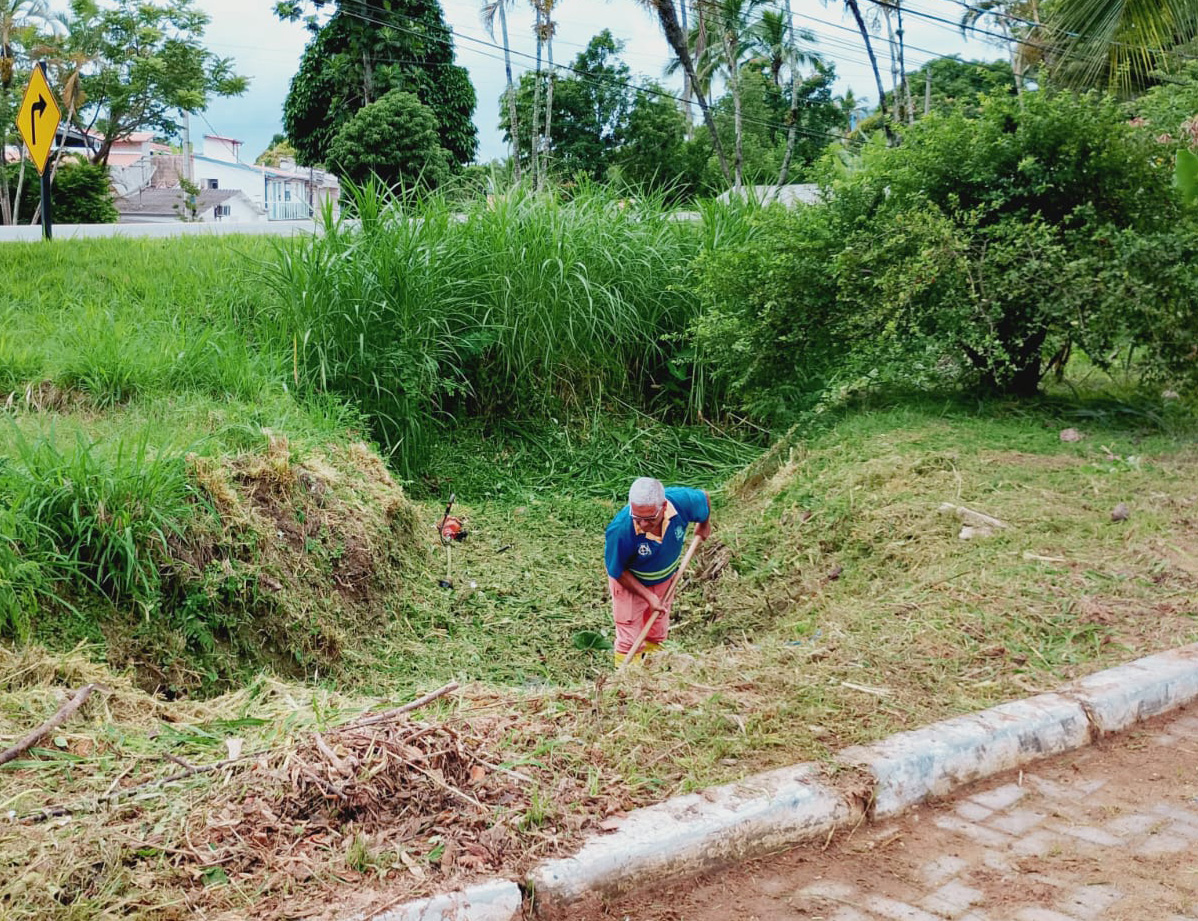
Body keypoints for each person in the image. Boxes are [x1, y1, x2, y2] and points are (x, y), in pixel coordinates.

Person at [604, 477, 712, 666]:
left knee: (656, 630)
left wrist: (704, 524)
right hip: (630, 583)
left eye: (649, 519)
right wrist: (647, 596)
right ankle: (627, 678)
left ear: (663, 507)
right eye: (637, 518)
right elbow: (617, 571)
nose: (643, 524)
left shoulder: (680, 502)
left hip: (664, 580)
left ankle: (652, 669)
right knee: (629, 638)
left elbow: (704, 498)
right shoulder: (620, 530)